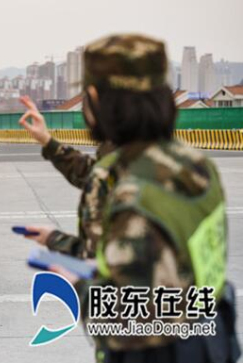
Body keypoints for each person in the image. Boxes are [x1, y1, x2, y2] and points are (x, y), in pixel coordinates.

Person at [21, 34, 240, 362]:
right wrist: (59, 241)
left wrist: (74, 284)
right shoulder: (193, 163)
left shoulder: (131, 188)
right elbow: (158, 261)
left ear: (95, 99)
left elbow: (127, 322)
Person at [18, 95, 115, 258]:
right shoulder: (120, 147)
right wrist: (47, 140)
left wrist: (56, 241)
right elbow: (92, 175)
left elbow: (112, 259)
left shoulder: (136, 158)